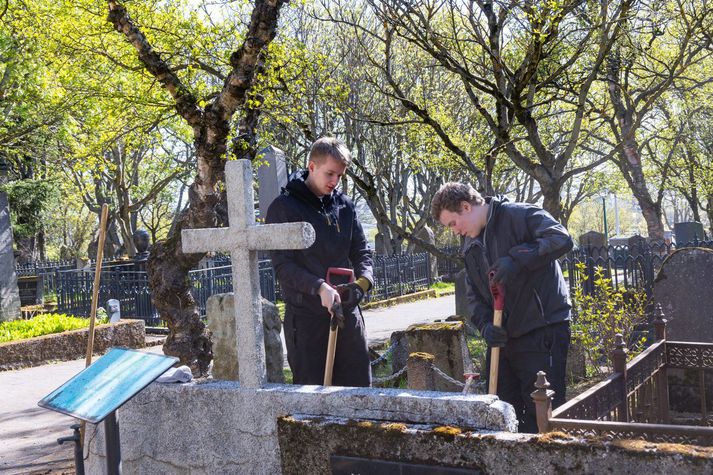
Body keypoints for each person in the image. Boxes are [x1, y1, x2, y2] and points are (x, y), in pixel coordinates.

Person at [431, 182, 573, 432]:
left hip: (541, 329)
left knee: (541, 413)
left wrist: (516, 259)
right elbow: (474, 295)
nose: (455, 232)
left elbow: (560, 238)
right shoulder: (470, 246)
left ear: (466, 207)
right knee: (503, 410)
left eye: (453, 223)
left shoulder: (519, 215)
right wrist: (486, 325)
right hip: (503, 339)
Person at [265, 137, 373, 387]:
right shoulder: (284, 208)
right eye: (330, 173)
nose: (335, 181)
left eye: (340, 176)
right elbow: (283, 266)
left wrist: (363, 283)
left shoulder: (345, 206)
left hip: (347, 313)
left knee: (360, 396)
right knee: (313, 404)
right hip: (306, 320)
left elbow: (362, 251)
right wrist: (319, 287)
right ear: (312, 166)